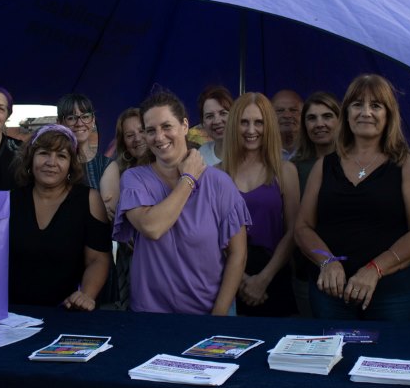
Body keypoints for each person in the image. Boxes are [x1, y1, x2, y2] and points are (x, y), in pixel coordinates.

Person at [295, 74, 410, 321]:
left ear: (388, 115)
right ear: (346, 114)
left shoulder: (407, 165)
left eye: (376, 106)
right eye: (357, 105)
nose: (365, 112)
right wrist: (327, 262)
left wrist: (375, 269)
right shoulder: (324, 166)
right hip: (331, 293)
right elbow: (303, 227)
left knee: (390, 358)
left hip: (394, 294)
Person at [113, 91, 250, 315]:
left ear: (185, 126)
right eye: (151, 130)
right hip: (150, 314)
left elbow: (238, 254)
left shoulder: (219, 183)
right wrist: (188, 179)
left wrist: (219, 314)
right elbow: (152, 227)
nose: (159, 137)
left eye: (167, 126)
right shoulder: (135, 179)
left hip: (209, 311)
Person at [9, 124, 111, 308]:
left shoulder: (90, 200)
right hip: (14, 314)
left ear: (71, 165)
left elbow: (98, 259)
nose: (51, 162)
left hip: (67, 311)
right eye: (44, 153)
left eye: (61, 156)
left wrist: (85, 296)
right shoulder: (10, 201)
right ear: (30, 159)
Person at [221, 93, 299, 317]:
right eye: (244, 122)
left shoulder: (285, 171)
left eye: (259, 122)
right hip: (227, 278)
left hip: (274, 274)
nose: (251, 130)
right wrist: (242, 279)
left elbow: (294, 230)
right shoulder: (216, 173)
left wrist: (263, 279)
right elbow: (211, 234)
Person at [289, 92, 341, 316]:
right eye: (312, 118)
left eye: (327, 116)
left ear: (340, 121)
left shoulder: (355, 164)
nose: (319, 124)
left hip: (349, 266)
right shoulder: (294, 167)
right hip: (306, 270)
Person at [97, 108, 149, 310]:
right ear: (123, 142)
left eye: (142, 130)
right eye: (130, 135)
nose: (137, 138)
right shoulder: (118, 172)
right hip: (131, 257)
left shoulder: (169, 168)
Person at [56, 93, 109, 191]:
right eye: (71, 118)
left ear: (93, 120)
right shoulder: (53, 165)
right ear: (59, 123)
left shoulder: (106, 165)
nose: (79, 124)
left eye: (85, 117)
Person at [196, 85, 233, 166]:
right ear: (203, 124)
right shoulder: (201, 155)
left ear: (234, 116)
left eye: (223, 113)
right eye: (209, 116)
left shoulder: (248, 152)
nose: (217, 121)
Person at [271, 89, 303, 160]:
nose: (287, 115)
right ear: (269, 115)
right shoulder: (260, 153)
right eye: (280, 110)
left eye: (293, 110)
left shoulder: (315, 150)